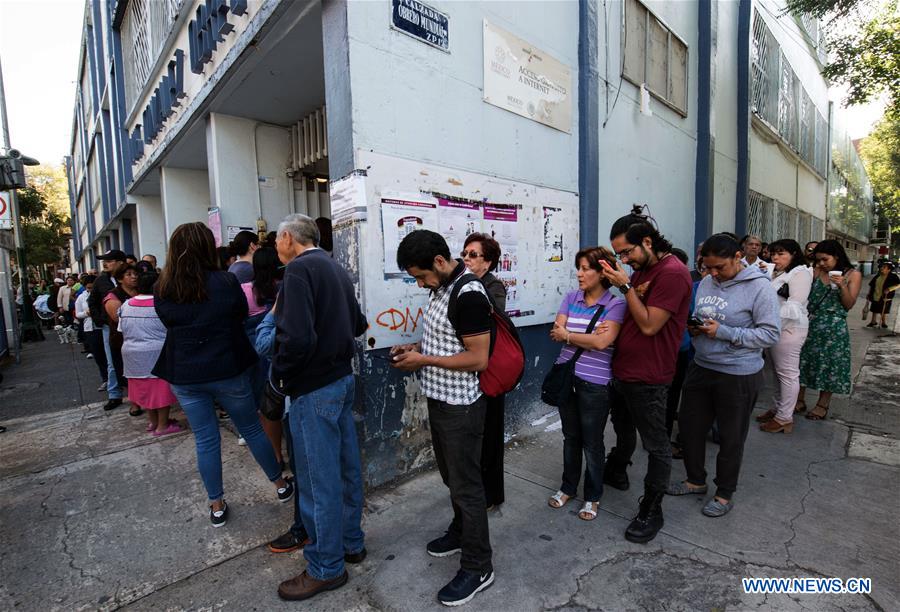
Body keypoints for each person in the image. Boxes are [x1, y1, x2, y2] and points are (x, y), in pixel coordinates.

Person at [153, 222, 293, 527]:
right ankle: (280, 485)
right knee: (252, 429)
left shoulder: (163, 287)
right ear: (207, 248)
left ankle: (216, 504)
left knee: (205, 438)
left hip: (185, 371)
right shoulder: (225, 282)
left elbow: (168, 322)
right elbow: (239, 315)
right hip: (227, 367)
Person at [391, 230, 495, 606]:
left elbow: (477, 358)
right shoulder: (441, 289)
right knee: (453, 478)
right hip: (440, 400)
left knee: (466, 485)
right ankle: (460, 530)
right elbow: (448, 340)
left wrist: (424, 360)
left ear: (439, 261)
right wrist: (416, 348)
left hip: (461, 407)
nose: (420, 284)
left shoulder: (468, 293)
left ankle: (479, 565)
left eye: (421, 276)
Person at [271, 214, 368, 602]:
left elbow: (295, 338)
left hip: (314, 388)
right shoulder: (334, 267)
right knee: (344, 468)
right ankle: (351, 543)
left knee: (316, 480)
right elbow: (358, 324)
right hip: (341, 380)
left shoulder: (297, 271)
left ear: (289, 237)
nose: (275, 246)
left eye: (277, 240)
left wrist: (280, 376)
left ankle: (326, 567)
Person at [667, 234, 780, 517]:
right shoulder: (706, 281)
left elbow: (770, 333)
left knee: (731, 437)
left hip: (738, 374)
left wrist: (724, 332)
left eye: (720, 267)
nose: (713, 273)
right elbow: (703, 314)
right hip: (702, 367)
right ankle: (695, 480)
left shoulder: (759, 287)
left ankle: (724, 493)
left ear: (738, 257)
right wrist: (696, 328)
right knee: (691, 429)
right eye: (708, 267)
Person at [599, 210, 692, 544]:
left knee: (656, 444)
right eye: (619, 254)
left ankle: (652, 507)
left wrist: (624, 286)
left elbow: (651, 324)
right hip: (623, 369)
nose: (624, 259)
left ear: (648, 241)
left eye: (627, 252)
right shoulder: (644, 269)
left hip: (649, 375)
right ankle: (616, 468)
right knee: (623, 428)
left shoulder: (673, 273)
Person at [547, 246, 626, 521]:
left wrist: (570, 335)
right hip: (567, 377)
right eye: (578, 268)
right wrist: (582, 335)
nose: (579, 274)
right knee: (571, 437)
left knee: (592, 442)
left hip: (595, 383)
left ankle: (592, 496)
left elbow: (603, 342)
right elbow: (557, 332)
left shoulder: (616, 304)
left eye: (585, 268)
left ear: (603, 271)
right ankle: (568, 487)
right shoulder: (571, 297)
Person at [461, 232, 507, 510]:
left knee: (490, 433)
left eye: (473, 255)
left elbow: (489, 324)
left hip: (489, 369)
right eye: (464, 254)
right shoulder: (461, 284)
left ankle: (491, 495)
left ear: (487, 262)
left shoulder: (493, 287)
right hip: (466, 371)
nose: (466, 258)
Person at [798, 240, 862, 420]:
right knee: (802, 361)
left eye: (825, 259)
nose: (821, 264)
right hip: (811, 323)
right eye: (818, 260)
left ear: (837, 257)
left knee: (831, 366)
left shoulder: (852, 274)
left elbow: (849, 304)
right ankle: (798, 400)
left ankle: (822, 405)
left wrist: (842, 285)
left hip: (834, 327)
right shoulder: (816, 271)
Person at [757, 240, 813, 434]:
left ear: (794, 254)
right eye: (773, 254)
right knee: (776, 372)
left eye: (781, 254)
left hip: (789, 329)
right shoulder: (780, 272)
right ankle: (779, 408)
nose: (775, 258)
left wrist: (767, 322)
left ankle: (784, 418)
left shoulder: (800, 273)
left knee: (787, 373)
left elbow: (795, 306)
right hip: (774, 328)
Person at [119, 269, 183, 436]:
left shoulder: (126, 304)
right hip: (157, 353)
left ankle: (153, 422)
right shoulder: (161, 304)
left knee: (145, 390)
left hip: (132, 354)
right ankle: (162, 426)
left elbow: (122, 330)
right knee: (161, 390)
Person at [241, 246, 284, 467]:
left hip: (255, 355)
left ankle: (276, 455)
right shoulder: (287, 287)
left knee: (267, 406)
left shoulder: (246, 290)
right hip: (283, 352)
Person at [666, 248, 697, 458]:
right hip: (675, 349)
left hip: (678, 349)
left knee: (669, 396)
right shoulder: (689, 286)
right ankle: (662, 436)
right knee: (669, 396)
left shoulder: (690, 288)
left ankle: (663, 436)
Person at [89, 250, 128, 411]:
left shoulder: (129, 276)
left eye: (109, 260)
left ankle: (137, 394)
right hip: (109, 327)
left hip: (131, 325)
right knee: (112, 361)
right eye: (104, 261)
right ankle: (114, 394)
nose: (105, 263)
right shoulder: (100, 281)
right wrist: (101, 320)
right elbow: (92, 302)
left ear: (120, 262)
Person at [104, 264, 140, 416]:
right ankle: (135, 403)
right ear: (119, 279)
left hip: (143, 338)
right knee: (129, 373)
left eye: (135, 273)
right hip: (123, 340)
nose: (134, 277)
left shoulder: (142, 291)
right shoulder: (112, 296)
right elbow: (118, 319)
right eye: (129, 274)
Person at [74, 275, 109, 391]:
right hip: (90, 328)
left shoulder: (103, 294)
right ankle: (105, 379)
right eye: (88, 288)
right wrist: (86, 313)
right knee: (99, 356)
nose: (90, 290)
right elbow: (78, 314)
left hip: (103, 326)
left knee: (109, 354)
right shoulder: (81, 297)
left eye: (92, 287)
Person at [866, 262, 899, 329]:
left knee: (883, 309)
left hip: (886, 296)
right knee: (874, 308)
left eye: (884, 267)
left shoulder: (893, 277)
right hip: (876, 295)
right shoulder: (877, 276)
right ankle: (873, 321)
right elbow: (871, 285)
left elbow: (898, 285)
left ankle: (883, 322)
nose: (882, 268)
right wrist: (869, 294)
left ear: (889, 270)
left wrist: (889, 289)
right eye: (882, 267)